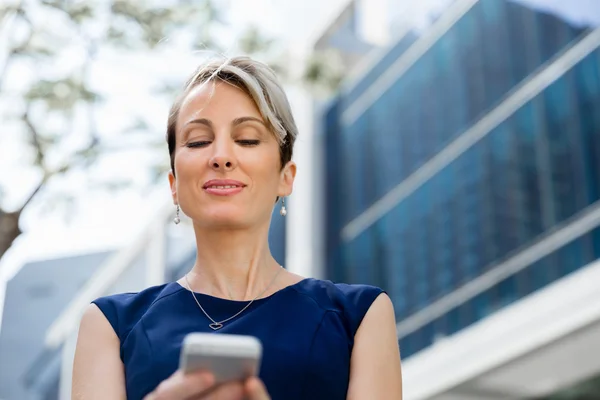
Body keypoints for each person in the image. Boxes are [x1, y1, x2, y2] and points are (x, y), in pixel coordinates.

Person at [71, 56, 403, 400]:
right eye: (198, 141)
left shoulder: (359, 316)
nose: (222, 156)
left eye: (246, 139)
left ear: (285, 177)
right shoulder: (111, 324)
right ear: (173, 184)